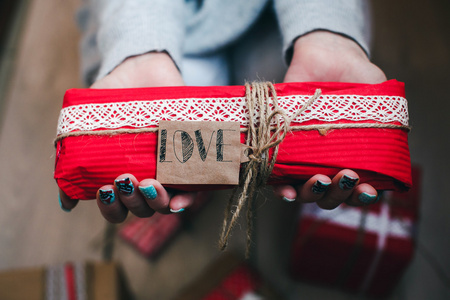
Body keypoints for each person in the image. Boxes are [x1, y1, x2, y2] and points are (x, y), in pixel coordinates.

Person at [59, 0, 387, 223]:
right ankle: (200, 180)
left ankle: (214, 173)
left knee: (296, 123)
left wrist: (326, 33)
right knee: (183, 117)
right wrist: (140, 50)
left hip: (277, 15)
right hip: (160, 16)